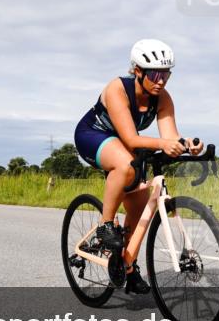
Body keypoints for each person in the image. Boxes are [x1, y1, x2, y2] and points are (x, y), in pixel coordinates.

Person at [73, 39, 204, 294]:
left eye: (166, 74)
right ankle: (105, 225)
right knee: (125, 165)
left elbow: (170, 136)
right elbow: (132, 139)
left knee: (141, 205)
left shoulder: (163, 98)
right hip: (93, 135)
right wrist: (164, 144)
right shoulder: (117, 89)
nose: (161, 81)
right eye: (155, 74)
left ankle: (127, 266)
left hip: (123, 142)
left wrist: (187, 145)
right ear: (137, 71)